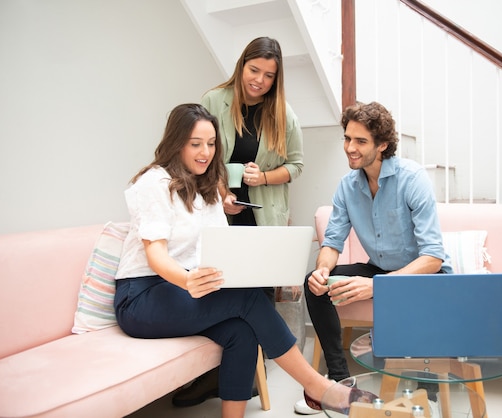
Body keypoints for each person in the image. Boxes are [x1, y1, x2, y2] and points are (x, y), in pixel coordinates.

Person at [114, 103, 372, 418]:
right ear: (176, 142)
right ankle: (319, 387)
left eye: (211, 144)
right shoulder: (153, 183)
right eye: (195, 144)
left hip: (184, 288)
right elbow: (155, 254)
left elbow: (222, 248)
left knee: (242, 331)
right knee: (248, 300)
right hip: (142, 296)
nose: (205, 152)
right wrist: (187, 281)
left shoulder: (207, 187)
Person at [294, 101, 453, 414]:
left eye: (360, 141)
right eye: (347, 138)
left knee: (428, 297)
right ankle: (339, 383)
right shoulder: (347, 187)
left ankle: (426, 395)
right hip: (379, 269)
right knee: (315, 287)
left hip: (424, 276)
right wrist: (322, 271)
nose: (350, 148)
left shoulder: (413, 179)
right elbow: (333, 241)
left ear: (382, 145)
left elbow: (433, 257)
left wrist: (378, 286)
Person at [173, 36, 304, 407]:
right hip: (219, 213)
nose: (259, 80)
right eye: (254, 70)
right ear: (241, 65)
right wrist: (220, 193)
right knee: (216, 293)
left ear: (277, 79)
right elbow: (203, 156)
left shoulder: (283, 114)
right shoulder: (215, 101)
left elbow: (296, 165)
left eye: (268, 75)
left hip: (261, 219)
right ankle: (212, 376)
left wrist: (262, 177)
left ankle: (245, 380)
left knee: (258, 297)